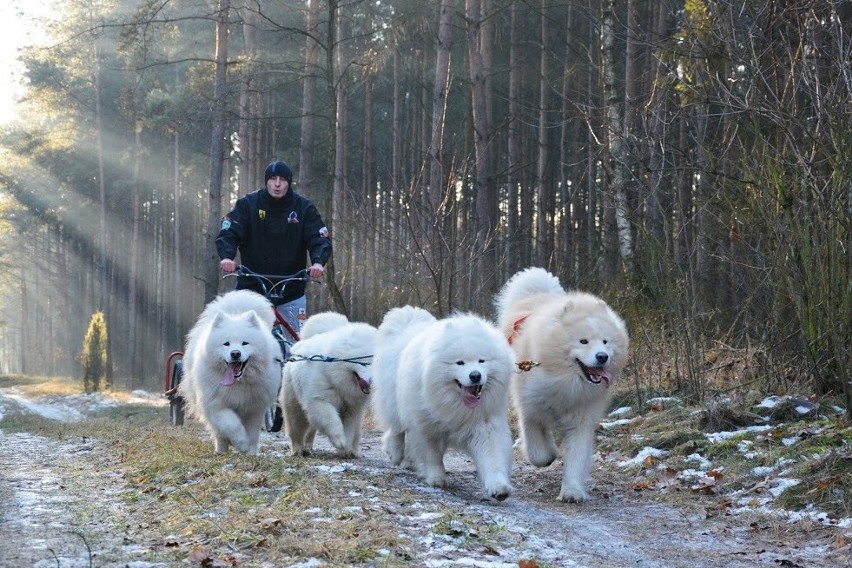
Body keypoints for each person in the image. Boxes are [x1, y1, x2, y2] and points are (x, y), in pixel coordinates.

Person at [216, 160, 332, 336]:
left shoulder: (304, 208)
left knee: (295, 345)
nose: (277, 184)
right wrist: (226, 257)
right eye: (272, 179)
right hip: (251, 290)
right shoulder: (248, 204)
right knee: (237, 341)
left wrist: (318, 263)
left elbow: (319, 237)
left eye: (282, 180)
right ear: (266, 181)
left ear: (289, 182)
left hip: (291, 290)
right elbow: (229, 230)